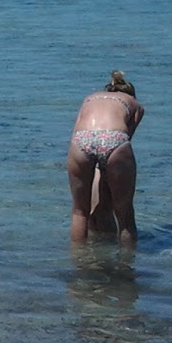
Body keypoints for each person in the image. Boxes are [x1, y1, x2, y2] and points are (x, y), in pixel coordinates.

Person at [67, 71, 144, 244]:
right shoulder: (135, 104)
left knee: (79, 211)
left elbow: (75, 131)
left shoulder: (90, 98)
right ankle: (126, 265)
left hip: (81, 139)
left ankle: (78, 262)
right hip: (113, 138)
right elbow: (127, 136)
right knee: (125, 214)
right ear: (131, 94)